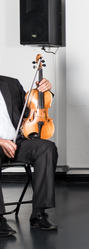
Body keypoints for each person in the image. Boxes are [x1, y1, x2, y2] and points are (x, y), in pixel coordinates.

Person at [0, 73, 58, 235]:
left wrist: (43, 92)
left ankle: (39, 214)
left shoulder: (10, 83)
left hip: (16, 143)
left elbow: (29, 111)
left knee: (46, 147)